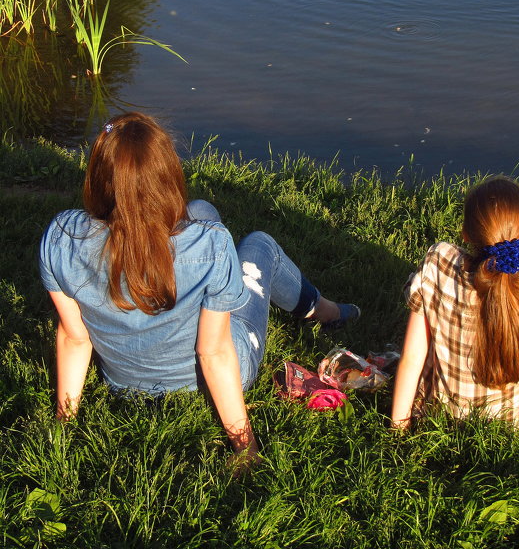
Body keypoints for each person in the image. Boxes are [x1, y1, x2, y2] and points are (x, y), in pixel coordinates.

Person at [39, 112, 360, 468]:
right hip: (208, 378)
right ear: (167, 176)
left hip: (124, 382)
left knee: (201, 209)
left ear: (98, 178)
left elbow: (74, 338)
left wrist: (63, 425)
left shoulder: (60, 238)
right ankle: (328, 312)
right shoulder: (213, 245)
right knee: (260, 245)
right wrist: (244, 447)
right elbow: (214, 353)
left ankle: (236, 287)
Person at [391, 176, 519, 450]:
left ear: (466, 234)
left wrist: (398, 431)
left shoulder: (437, 264)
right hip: (514, 424)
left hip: (443, 414)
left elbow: (412, 357)